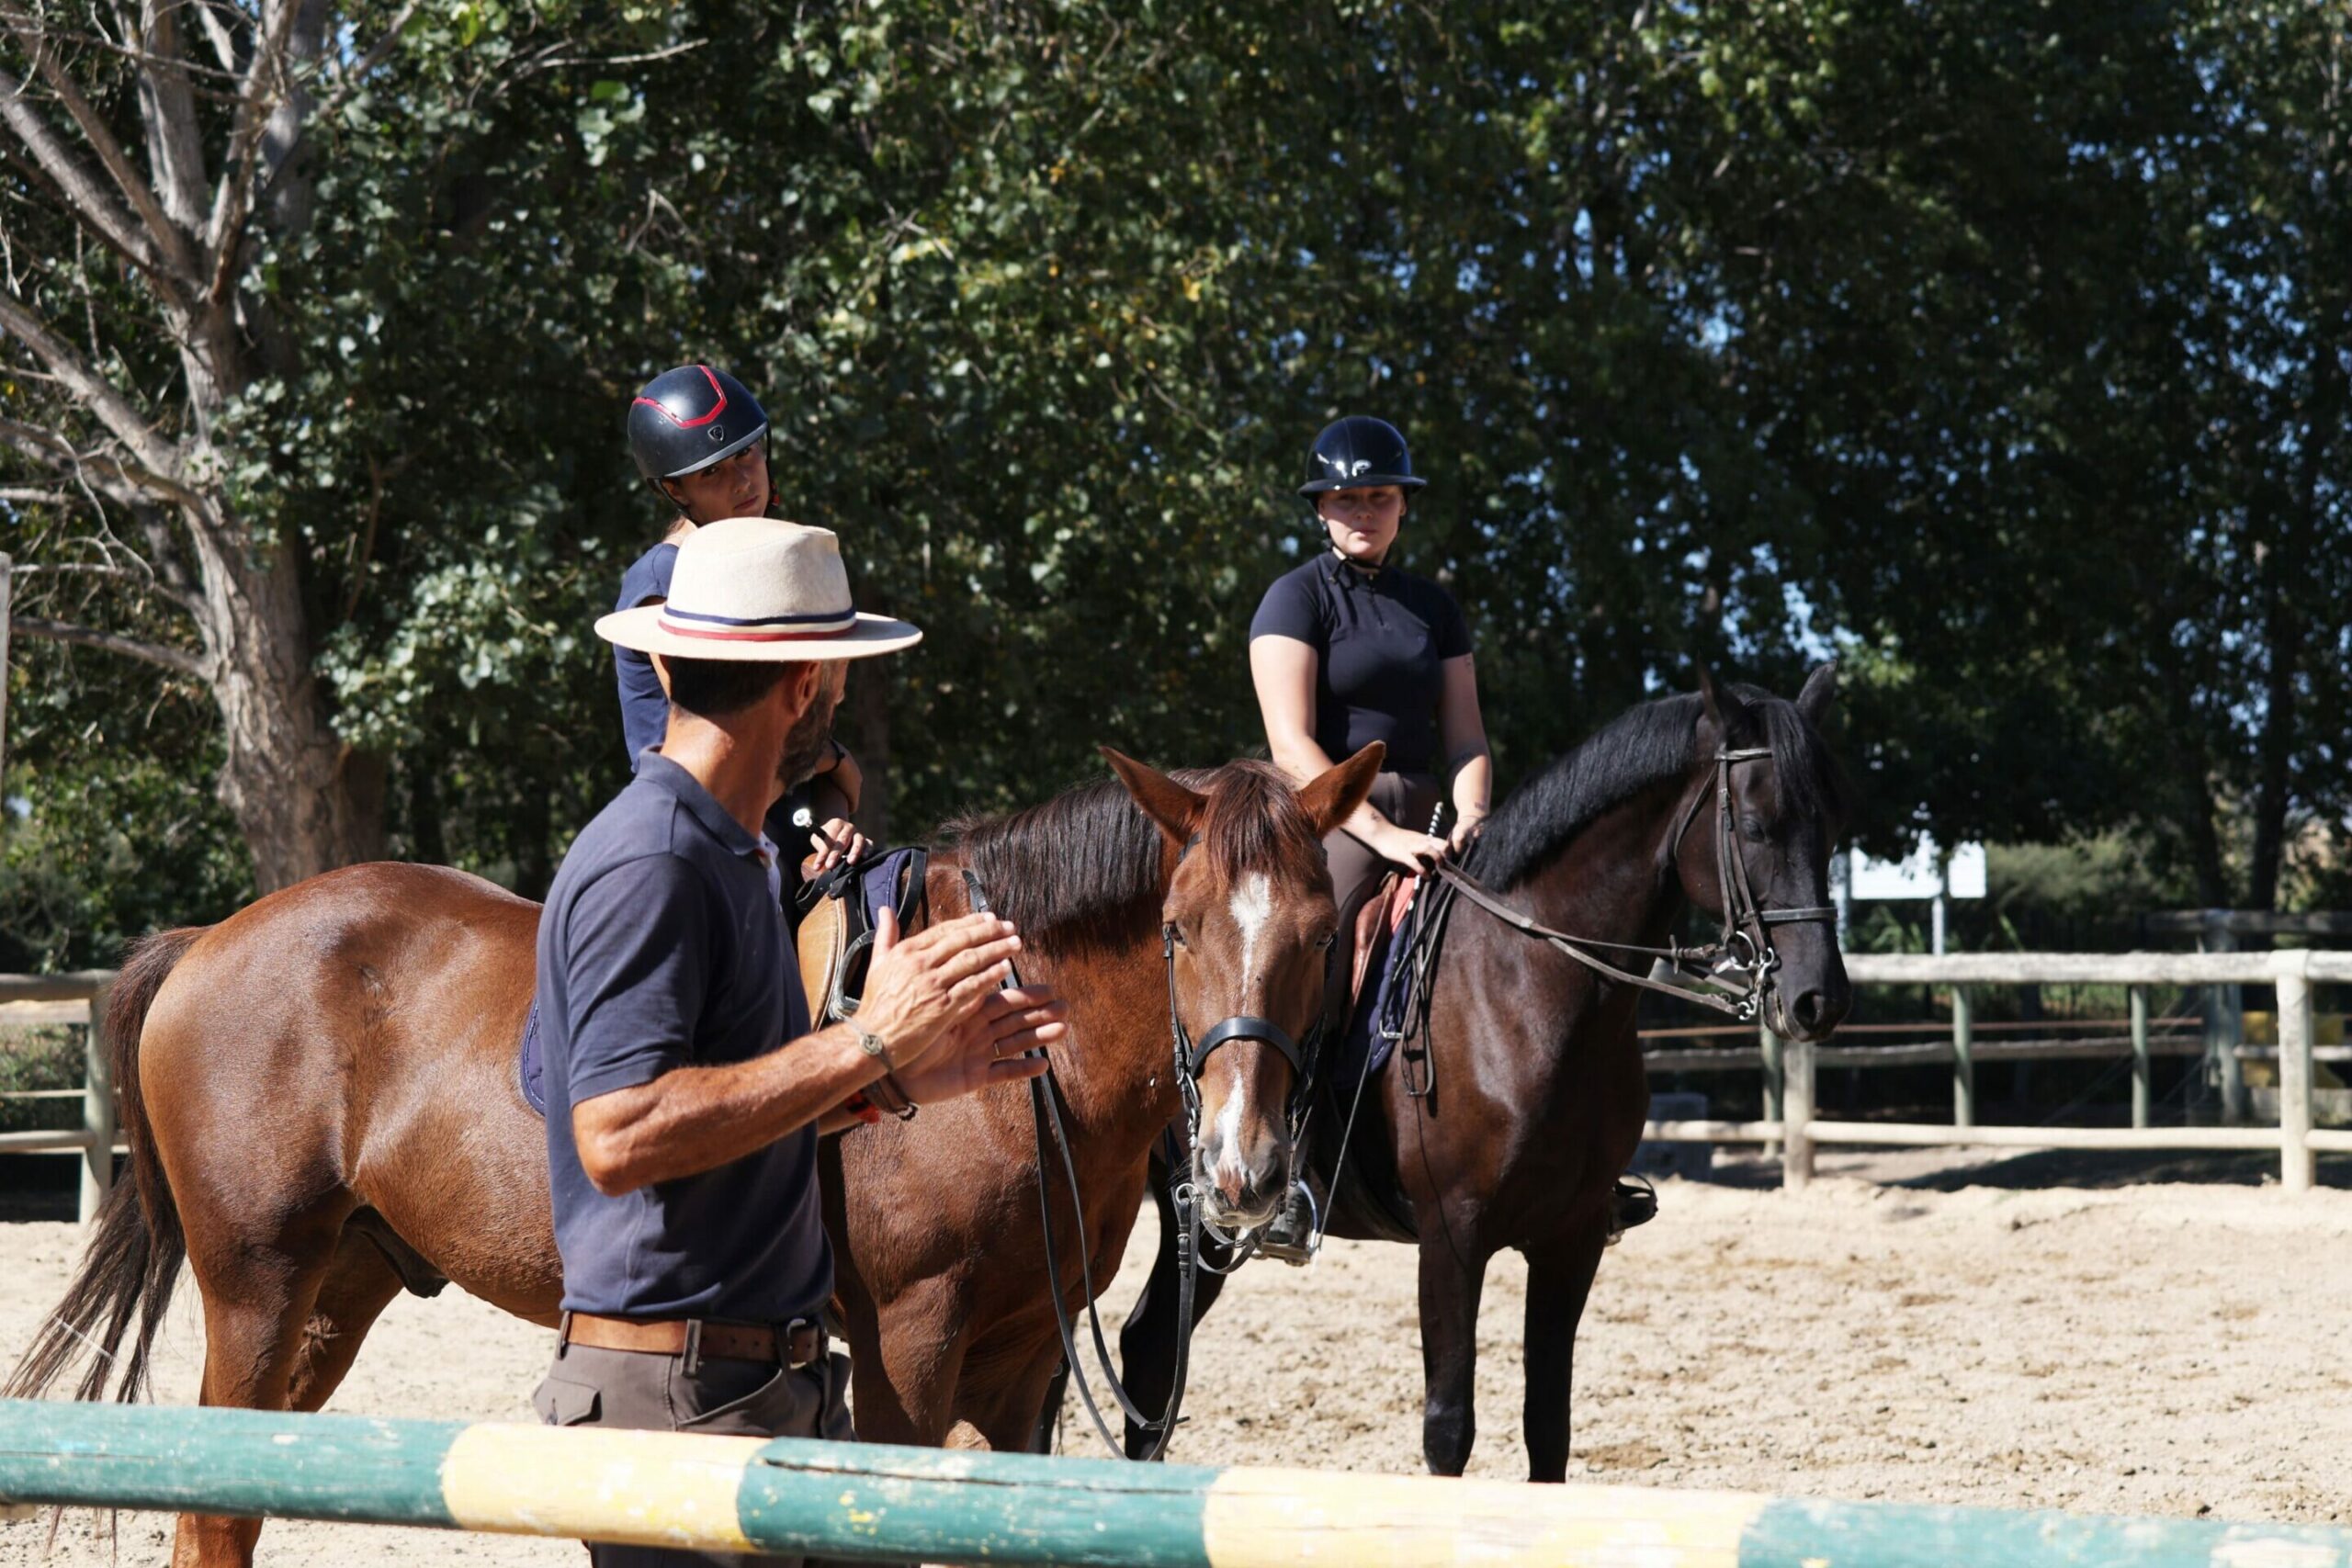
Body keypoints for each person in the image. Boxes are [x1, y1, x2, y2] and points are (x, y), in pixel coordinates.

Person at [534, 517, 1064, 1568]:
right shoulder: (655, 861)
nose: (839, 699)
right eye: (839, 676)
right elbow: (618, 1134)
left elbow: (731, 1103)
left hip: (756, 1390)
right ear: (802, 683)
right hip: (675, 1410)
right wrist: (868, 1038)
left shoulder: (734, 856)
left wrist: (889, 1084)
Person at [621, 364, 865, 895]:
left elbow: (805, 747)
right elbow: (728, 733)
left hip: (781, 823)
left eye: (746, 454)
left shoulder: (772, 566)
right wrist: (834, 759)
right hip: (702, 836)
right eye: (712, 472)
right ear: (675, 489)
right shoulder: (667, 579)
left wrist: (833, 823)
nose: (742, 480)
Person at [1249, 415, 1492, 923]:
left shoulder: (1436, 607)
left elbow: (1467, 742)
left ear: (1403, 504)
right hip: (1333, 816)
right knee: (1314, 943)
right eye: (1346, 498)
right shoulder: (1293, 598)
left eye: (1380, 496)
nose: (1365, 512)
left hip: (1433, 816)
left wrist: (1472, 816)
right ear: (1320, 508)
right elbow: (1290, 748)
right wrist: (1383, 834)